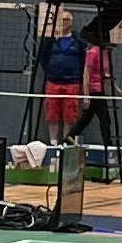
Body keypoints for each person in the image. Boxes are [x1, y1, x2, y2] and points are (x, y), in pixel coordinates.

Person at [40, 9, 86, 144]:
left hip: (72, 84)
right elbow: (43, 57)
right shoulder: (50, 40)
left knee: (70, 116)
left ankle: (66, 143)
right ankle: (53, 144)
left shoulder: (79, 41)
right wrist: (50, 71)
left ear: (72, 22)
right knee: (52, 115)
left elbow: (85, 61)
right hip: (53, 82)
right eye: (62, 20)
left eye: (67, 20)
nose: (65, 23)